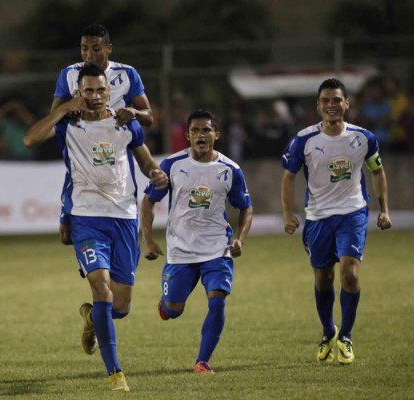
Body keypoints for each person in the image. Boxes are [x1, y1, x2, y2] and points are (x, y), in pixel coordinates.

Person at [24, 64, 168, 392]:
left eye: (99, 90)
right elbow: (30, 139)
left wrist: (156, 173)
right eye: (86, 91)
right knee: (101, 289)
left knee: (120, 306)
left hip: (124, 218)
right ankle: (115, 373)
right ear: (79, 93)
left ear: (108, 92)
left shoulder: (124, 124)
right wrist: (61, 109)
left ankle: (93, 319)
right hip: (87, 219)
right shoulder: (68, 125)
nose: (93, 96)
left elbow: (145, 161)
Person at [281, 78, 392, 365]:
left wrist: (384, 209)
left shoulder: (363, 138)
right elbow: (288, 177)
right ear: (318, 106)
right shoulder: (303, 140)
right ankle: (328, 330)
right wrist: (287, 213)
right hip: (318, 217)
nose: (331, 105)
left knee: (350, 274)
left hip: (352, 213)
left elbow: (377, 172)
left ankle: (346, 336)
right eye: (325, 101)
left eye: (336, 100)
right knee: (323, 277)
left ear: (346, 104)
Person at [140, 109, 253, 374]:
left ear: (216, 134)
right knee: (174, 310)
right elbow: (148, 202)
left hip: (217, 247)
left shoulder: (230, 169)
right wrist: (148, 240)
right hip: (181, 249)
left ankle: (202, 361)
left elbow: (246, 207)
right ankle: (167, 305)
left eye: (205, 130)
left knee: (217, 299)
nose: (200, 136)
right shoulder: (171, 165)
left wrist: (240, 239)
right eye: (195, 131)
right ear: (188, 135)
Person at [50, 23, 154, 247]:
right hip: (83, 152)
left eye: (95, 48)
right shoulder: (69, 74)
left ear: (109, 48)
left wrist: (133, 111)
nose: (89, 55)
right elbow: (54, 116)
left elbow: (149, 117)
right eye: (84, 48)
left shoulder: (126, 74)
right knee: (66, 236)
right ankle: (92, 253)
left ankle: (101, 256)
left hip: (115, 151)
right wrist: (70, 109)